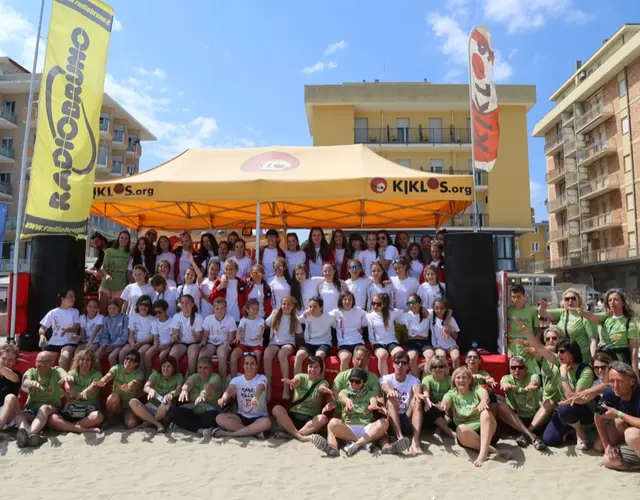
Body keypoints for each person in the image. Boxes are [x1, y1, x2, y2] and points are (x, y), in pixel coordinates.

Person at [310, 367, 390, 457]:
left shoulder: (369, 393)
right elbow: (341, 398)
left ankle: (356, 445)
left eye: (357, 382)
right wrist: (347, 401)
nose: (354, 384)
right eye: (352, 381)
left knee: (384, 422)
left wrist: (373, 405)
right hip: (348, 428)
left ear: (363, 382)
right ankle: (363, 443)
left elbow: (373, 400)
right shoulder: (344, 392)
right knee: (332, 422)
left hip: (366, 427)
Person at [441, 367, 511, 467]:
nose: (461, 380)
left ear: (470, 379)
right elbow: (446, 401)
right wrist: (444, 405)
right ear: (454, 380)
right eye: (458, 378)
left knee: (485, 413)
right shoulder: (451, 394)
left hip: (487, 430)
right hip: (468, 435)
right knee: (460, 428)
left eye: (464, 377)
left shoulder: (477, 389)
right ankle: (496, 451)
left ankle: (482, 455)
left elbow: (484, 396)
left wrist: (483, 401)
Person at [572, 288, 639, 376]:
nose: (612, 302)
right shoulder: (606, 318)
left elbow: (633, 350)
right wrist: (579, 311)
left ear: (623, 302)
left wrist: (635, 373)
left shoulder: (629, 322)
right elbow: (591, 316)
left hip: (619, 361)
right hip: (603, 361)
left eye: (616, 299)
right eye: (610, 300)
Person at [15, 351, 69, 448]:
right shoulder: (32, 371)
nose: (42, 364)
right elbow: (26, 381)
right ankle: (32, 436)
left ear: (51, 362)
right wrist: (31, 383)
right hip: (33, 410)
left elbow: (64, 374)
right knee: (18, 416)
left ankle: (28, 434)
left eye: (46, 361)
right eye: (40, 361)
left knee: (44, 408)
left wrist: (67, 377)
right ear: (36, 362)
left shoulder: (56, 371)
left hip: (51, 408)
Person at [272, 355, 332, 441]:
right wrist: (293, 383)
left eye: (316, 367)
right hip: (292, 417)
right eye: (310, 366)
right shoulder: (301, 376)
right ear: (307, 367)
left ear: (321, 369)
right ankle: (299, 436)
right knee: (276, 409)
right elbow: (296, 381)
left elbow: (321, 387)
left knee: (323, 419)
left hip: (309, 421)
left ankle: (292, 435)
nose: (313, 369)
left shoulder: (323, 382)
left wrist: (326, 390)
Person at [213, 353, 272, 439]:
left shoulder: (262, 378)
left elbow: (261, 387)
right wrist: (223, 398)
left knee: (267, 422)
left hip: (259, 417)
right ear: (243, 366)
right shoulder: (237, 379)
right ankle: (252, 432)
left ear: (256, 366)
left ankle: (230, 434)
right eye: (246, 363)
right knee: (219, 418)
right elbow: (230, 389)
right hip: (241, 417)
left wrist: (255, 398)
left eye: (252, 363)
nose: (249, 366)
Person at [593, 362, 640, 470]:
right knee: (607, 458)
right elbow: (598, 415)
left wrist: (619, 414)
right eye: (611, 381)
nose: (615, 385)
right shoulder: (611, 392)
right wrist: (607, 446)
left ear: (631, 381)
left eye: (619, 381)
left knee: (631, 434)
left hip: (634, 434)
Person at [498, 355, 546, 450]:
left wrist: (530, 386)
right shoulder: (506, 378)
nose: (517, 370)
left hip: (533, 418)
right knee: (498, 401)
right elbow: (503, 383)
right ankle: (533, 437)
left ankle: (525, 434)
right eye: (513, 368)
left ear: (526, 368)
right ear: (509, 369)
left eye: (520, 367)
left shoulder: (533, 375)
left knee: (549, 403)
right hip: (515, 418)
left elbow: (535, 382)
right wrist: (506, 386)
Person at [537, 288, 598, 362]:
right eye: (567, 299)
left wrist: (593, 359)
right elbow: (542, 313)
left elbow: (592, 341)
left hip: (581, 357)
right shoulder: (562, 312)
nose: (570, 301)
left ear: (579, 300)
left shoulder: (584, 316)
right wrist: (542, 307)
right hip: (564, 357)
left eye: (573, 298)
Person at [53, 349, 104, 433]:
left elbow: (93, 385)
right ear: (78, 361)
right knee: (53, 419)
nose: (85, 362)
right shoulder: (72, 373)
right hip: (71, 409)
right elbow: (68, 380)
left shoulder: (97, 374)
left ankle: (71, 427)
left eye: (88, 360)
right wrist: (67, 385)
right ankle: (83, 429)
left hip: (89, 409)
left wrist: (84, 392)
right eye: (82, 359)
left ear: (92, 362)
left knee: (98, 416)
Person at [168, 356, 221, 435]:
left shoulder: (215, 377)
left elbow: (210, 386)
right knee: (172, 411)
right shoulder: (195, 376)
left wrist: (202, 394)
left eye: (205, 368)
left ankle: (184, 426)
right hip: (194, 410)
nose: (202, 370)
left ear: (211, 370)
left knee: (212, 417)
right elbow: (188, 383)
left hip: (209, 410)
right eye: (200, 367)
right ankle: (200, 430)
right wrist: (184, 390)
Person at [129, 356, 183, 433]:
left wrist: (171, 394)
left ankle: (149, 422)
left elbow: (178, 389)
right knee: (132, 401)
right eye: (163, 366)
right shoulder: (156, 375)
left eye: (168, 366)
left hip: (164, 410)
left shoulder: (178, 377)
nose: (165, 369)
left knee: (166, 403)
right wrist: (150, 390)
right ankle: (157, 424)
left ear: (173, 368)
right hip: (150, 407)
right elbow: (146, 387)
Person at [379, 351, 419, 454]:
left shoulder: (413, 380)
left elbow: (417, 388)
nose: (400, 365)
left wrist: (417, 394)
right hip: (392, 419)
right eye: (397, 362)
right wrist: (390, 391)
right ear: (393, 364)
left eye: (404, 363)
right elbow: (384, 385)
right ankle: (399, 437)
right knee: (392, 399)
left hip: (407, 417)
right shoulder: (386, 378)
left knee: (417, 400)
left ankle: (415, 441)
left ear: (408, 366)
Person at [264, 296, 301, 400]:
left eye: (289, 304)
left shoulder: (295, 319)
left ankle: (285, 387)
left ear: (293, 306)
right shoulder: (275, 314)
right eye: (284, 304)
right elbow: (265, 325)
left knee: (282, 354)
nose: (286, 306)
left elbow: (300, 334)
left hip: (288, 343)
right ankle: (268, 388)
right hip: (274, 342)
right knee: (267, 355)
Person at [98, 350, 145, 428]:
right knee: (113, 396)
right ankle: (109, 420)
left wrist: (128, 386)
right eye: (127, 358)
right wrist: (102, 381)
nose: (128, 361)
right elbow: (108, 376)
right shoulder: (117, 368)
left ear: (136, 364)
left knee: (131, 424)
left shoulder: (139, 373)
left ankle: (122, 419)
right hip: (116, 404)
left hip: (128, 406)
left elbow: (135, 382)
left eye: (132, 360)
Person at [38, 288, 82, 370]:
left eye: (74, 297)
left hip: (69, 342)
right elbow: (42, 328)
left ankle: (64, 381)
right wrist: (42, 335)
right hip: (54, 342)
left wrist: (68, 329)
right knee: (44, 361)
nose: (74, 299)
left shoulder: (75, 311)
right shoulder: (53, 312)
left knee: (64, 359)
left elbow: (76, 327)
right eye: (71, 297)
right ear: (63, 298)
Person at [366, 292, 404, 375]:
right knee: (383, 355)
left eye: (378, 304)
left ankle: (399, 378)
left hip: (392, 342)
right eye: (373, 303)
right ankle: (384, 381)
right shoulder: (368, 315)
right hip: (377, 343)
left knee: (400, 354)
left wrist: (422, 309)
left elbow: (406, 310)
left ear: (384, 304)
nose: (375, 306)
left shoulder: (392, 312)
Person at [295, 296, 334, 374]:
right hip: (309, 343)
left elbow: (337, 326)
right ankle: (297, 382)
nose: (312, 309)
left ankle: (319, 383)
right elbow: (296, 322)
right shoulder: (306, 315)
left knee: (319, 356)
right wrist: (300, 333)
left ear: (321, 307)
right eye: (310, 306)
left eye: (315, 307)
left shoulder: (329, 317)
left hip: (324, 343)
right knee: (299, 355)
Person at [506, 284, 540, 374]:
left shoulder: (532, 311)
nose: (516, 299)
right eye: (513, 297)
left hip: (528, 352)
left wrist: (533, 346)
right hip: (512, 353)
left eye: (519, 296)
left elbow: (538, 331)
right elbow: (503, 333)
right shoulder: (507, 311)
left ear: (524, 295)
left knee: (532, 377)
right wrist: (507, 350)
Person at [201, 297, 237, 382]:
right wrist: (203, 341)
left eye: (222, 308)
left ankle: (222, 383)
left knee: (222, 356)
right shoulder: (208, 319)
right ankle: (203, 381)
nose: (219, 311)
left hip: (223, 343)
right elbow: (205, 336)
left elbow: (231, 337)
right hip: (210, 343)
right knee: (202, 356)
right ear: (213, 309)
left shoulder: (230, 319)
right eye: (217, 308)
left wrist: (228, 343)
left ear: (225, 309)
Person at [331, 291, 367, 371]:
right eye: (345, 299)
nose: (347, 302)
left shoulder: (358, 310)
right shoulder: (335, 312)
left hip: (358, 342)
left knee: (362, 357)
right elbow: (323, 316)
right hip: (343, 343)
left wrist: (362, 327)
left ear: (353, 300)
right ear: (341, 301)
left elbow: (369, 316)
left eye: (350, 299)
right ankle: (343, 382)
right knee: (344, 358)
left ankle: (363, 381)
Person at [420, 355, 455, 438]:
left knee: (452, 409)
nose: (437, 369)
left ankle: (438, 430)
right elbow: (426, 394)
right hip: (433, 407)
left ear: (445, 367)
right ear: (430, 368)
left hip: (445, 407)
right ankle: (450, 433)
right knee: (429, 406)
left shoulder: (450, 379)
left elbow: (453, 395)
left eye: (440, 366)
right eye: (434, 367)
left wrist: (444, 405)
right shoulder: (427, 379)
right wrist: (432, 404)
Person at [169, 294, 204, 375]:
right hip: (181, 342)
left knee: (192, 357)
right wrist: (175, 336)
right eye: (182, 303)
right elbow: (175, 332)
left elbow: (198, 339)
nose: (184, 305)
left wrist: (195, 335)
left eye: (187, 303)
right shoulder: (177, 316)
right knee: (172, 356)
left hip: (193, 343)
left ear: (192, 304)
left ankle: (190, 379)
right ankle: (178, 379)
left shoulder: (198, 317)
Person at [229, 299, 265, 377]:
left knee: (257, 355)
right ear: (247, 310)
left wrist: (259, 334)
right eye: (253, 309)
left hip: (256, 345)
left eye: (257, 309)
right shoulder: (243, 320)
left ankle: (256, 377)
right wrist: (238, 334)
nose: (255, 311)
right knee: (233, 355)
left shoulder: (260, 320)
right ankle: (234, 379)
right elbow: (240, 328)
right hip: (244, 344)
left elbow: (261, 328)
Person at [120, 295, 155, 375]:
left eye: (146, 305)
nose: (143, 307)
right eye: (141, 304)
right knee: (123, 352)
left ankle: (140, 378)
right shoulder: (133, 317)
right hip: (134, 341)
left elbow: (152, 336)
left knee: (140, 353)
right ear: (138, 305)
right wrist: (132, 342)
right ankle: (122, 376)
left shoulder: (153, 318)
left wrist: (140, 343)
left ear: (150, 307)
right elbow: (130, 334)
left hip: (146, 342)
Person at [98, 230, 131, 314]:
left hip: (120, 288)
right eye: (122, 237)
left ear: (128, 241)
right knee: (103, 313)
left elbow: (129, 271)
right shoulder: (109, 251)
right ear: (118, 238)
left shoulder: (129, 254)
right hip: (106, 286)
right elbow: (103, 268)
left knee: (117, 314)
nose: (123, 240)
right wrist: (107, 275)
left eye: (126, 238)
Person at [401, 294, 433, 377]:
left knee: (430, 356)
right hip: (411, 341)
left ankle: (424, 383)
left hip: (425, 341)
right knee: (411, 358)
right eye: (409, 304)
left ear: (420, 303)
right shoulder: (405, 315)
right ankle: (416, 382)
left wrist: (423, 308)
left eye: (413, 302)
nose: (411, 305)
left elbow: (448, 311)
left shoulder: (428, 313)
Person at [95, 298, 129, 367]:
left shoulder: (124, 318)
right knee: (96, 355)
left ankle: (115, 375)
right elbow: (104, 335)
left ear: (118, 308)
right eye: (109, 308)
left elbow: (124, 336)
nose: (111, 311)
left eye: (114, 308)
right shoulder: (106, 319)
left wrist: (114, 345)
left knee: (112, 356)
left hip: (120, 344)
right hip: (109, 344)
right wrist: (104, 344)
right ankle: (99, 374)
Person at [430, 298, 461, 368]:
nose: (439, 310)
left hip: (451, 345)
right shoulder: (431, 318)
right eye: (436, 308)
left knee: (456, 358)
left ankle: (456, 376)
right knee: (441, 358)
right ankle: (445, 377)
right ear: (433, 309)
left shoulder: (451, 319)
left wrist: (450, 330)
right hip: (438, 345)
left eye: (442, 308)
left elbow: (456, 336)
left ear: (445, 309)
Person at [145, 299, 175, 369]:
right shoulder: (155, 322)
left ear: (166, 310)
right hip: (159, 344)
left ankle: (161, 375)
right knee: (147, 354)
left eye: (160, 312)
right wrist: (156, 346)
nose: (158, 315)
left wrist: (166, 345)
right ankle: (148, 375)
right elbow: (156, 337)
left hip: (169, 345)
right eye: (156, 313)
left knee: (162, 355)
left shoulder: (172, 321)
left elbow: (173, 338)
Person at [0, 344, 21, 438]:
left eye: (10, 360)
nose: (6, 362)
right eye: (3, 358)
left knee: (10, 397)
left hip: (10, 412)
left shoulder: (17, 374)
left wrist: (1, 368)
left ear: (15, 362)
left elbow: (14, 378)